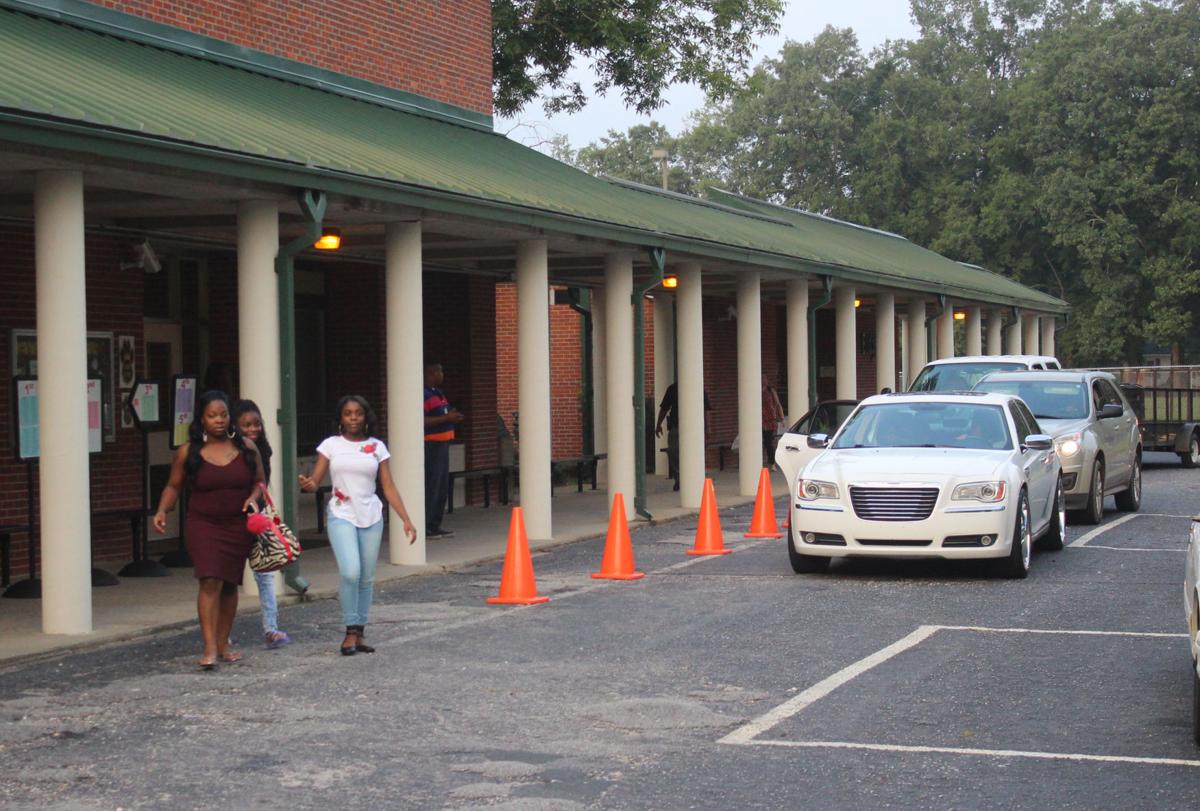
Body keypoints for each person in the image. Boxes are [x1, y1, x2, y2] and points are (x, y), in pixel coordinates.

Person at [299, 395, 417, 656]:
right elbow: (316, 480)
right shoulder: (330, 445)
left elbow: (387, 485)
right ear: (340, 418)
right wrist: (309, 485)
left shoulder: (377, 447)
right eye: (347, 413)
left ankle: (360, 632)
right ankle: (350, 630)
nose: (353, 418)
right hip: (342, 514)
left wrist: (406, 518)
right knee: (350, 571)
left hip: (371, 515)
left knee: (366, 577)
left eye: (358, 413)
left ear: (366, 417)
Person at [153, 390, 263, 670]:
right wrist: (163, 510)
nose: (219, 421)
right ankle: (209, 647)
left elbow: (260, 483)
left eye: (223, 415)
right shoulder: (189, 452)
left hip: (237, 524)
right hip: (203, 524)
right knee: (209, 579)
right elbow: (173, 485)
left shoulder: (247, 448)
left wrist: (253, 499)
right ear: (201, 419)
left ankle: (224, 643)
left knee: (229, 583)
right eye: (212, 415)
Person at [231, 400, 291, 650]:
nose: (252, 429)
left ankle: (271, 628)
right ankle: (223, 634)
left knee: (265, 574)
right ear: (235, 426)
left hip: (258, 517)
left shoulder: (262, 450)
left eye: (256, 424)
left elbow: (262, 483)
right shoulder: (227, 450)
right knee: (228, 578)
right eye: (245, 425)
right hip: (232, 517)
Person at [423, 362, 463, 538]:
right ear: (431, 373)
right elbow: (422, 421)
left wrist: (451, 417)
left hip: (444, 444)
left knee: (441, 486)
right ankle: (426, 525)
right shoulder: (423, 394)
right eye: (440, 371)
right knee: (432, 485)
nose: (442, 375)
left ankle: (435, 524)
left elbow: (442, 415)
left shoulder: (438, 393)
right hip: (431, 445)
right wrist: (447, 417)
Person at [654, 383, 712, 492]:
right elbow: (664, 408)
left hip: (695, 428)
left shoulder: (697, 386)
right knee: (673, 451)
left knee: (694, 453)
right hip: (676, 426)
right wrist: (658, 425)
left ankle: (693, 478)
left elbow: (706, 409)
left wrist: (707, 427)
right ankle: (679, 479)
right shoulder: (672, 389)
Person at [762, 374, 785, 469]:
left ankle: (772, 462)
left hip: (770, 421)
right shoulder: (755, 391)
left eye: (764, 379)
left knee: (768, 442)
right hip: (759, 420)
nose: (763, 381)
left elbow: (778, 404)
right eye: (761, 379)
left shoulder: (771, 391)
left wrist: (782, 418)